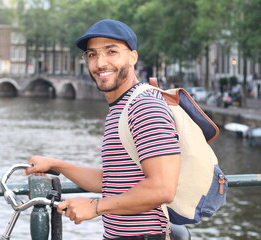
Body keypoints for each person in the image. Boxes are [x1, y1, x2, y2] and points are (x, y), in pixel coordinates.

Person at [24, 19, 181, 240]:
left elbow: (162, 188)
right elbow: (113, 180)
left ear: (133, 56)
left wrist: (95, 207)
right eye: (92, 55)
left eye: (111, 52)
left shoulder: (144, 105)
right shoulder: (122, 107)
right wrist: (56, 165)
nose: (100, 63)